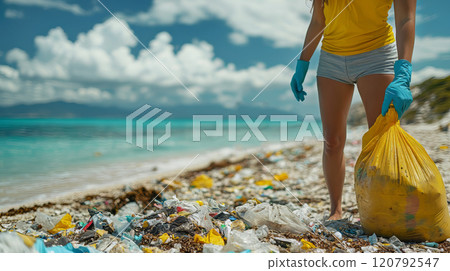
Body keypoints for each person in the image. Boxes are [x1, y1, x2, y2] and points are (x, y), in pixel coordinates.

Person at [290, 0, 416, 220]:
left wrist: (403, 71)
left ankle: (385, 208)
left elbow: (406, 17)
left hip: (376, 56)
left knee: (381, 139)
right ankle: (335, 210)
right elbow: (319, 20)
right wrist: (303, 63)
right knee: (332, 141)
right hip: (331, 60)